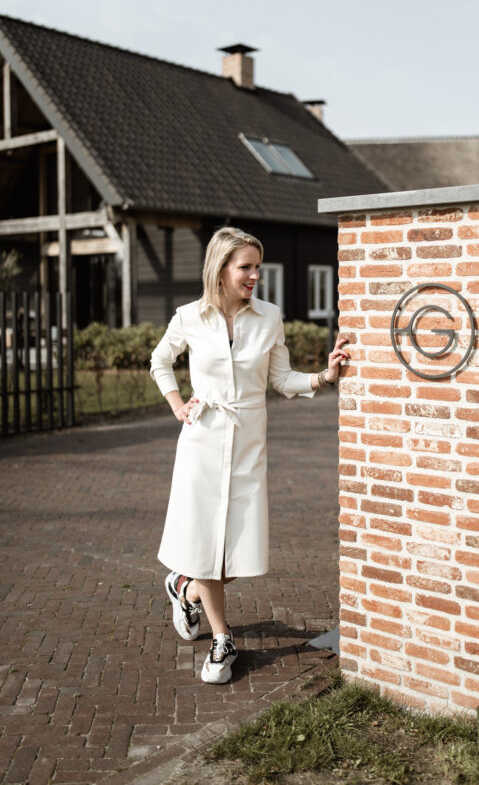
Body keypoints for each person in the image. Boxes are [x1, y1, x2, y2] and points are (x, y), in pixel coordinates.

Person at [150, 227, 347, 684]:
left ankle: (186, 588)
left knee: (241, 551)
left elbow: (281, 379)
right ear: (220, 269)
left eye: (258, 266)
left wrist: (324, 376)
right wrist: (178, 404)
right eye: (246, 267)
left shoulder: (269, 317)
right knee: (206, 545)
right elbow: (161, 361)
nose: (255, 275)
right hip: (202, 444)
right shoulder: (189, 317)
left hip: (248, 446)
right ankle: (223, 638)